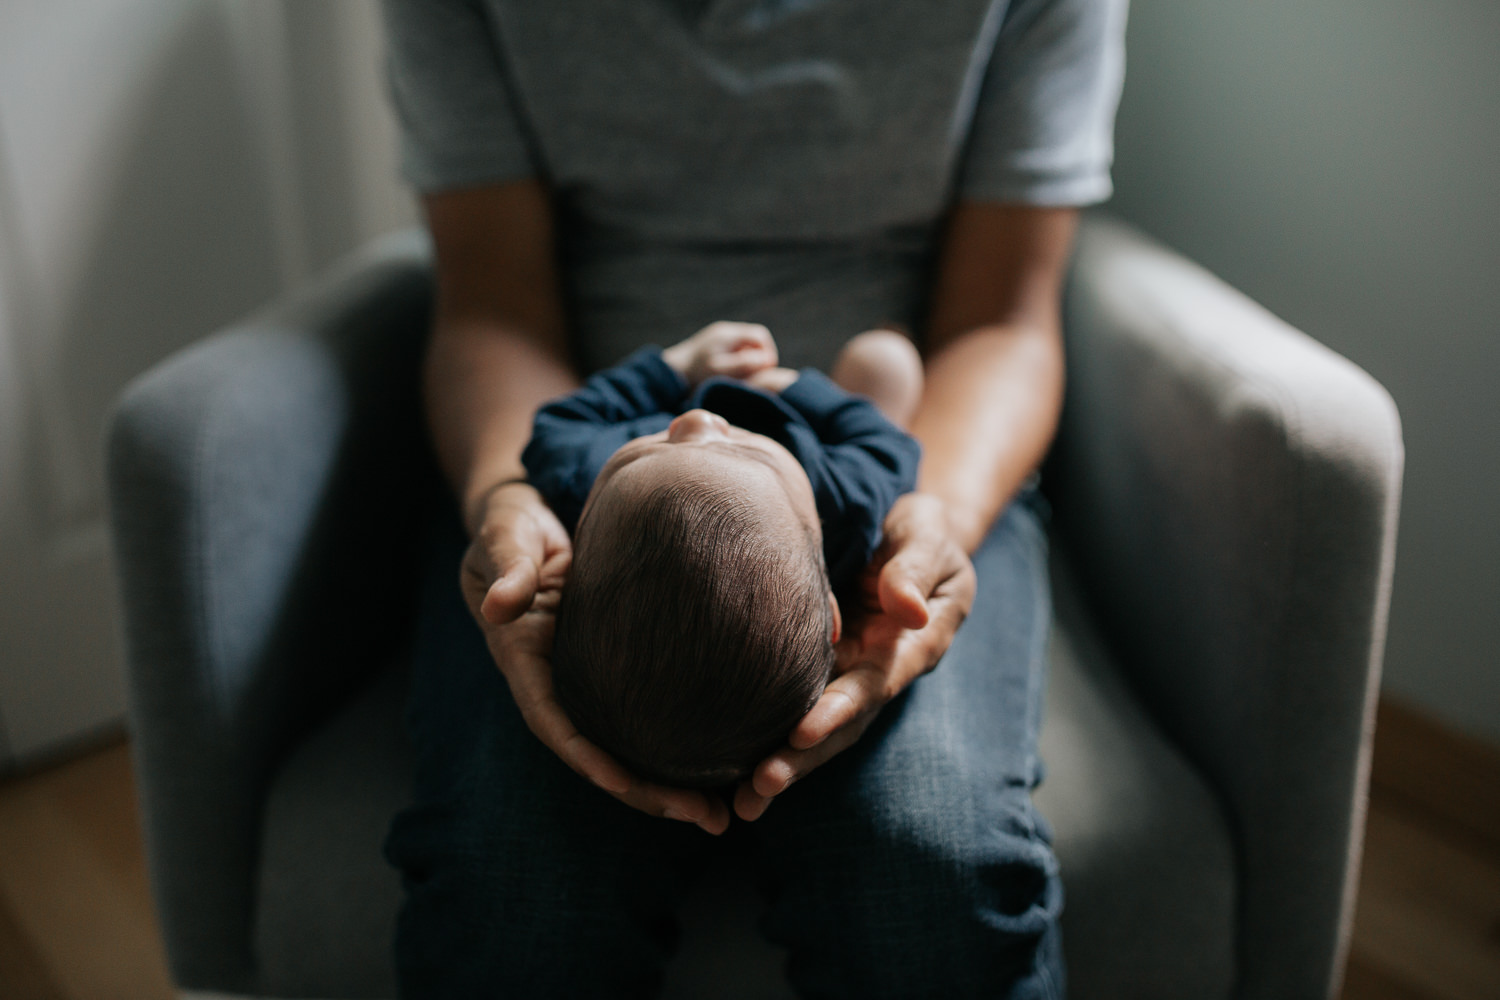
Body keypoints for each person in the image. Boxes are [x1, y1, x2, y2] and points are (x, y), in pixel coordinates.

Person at [378, 0, 1127, 995]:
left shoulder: (852, 514)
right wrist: (508, 499)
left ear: (835, 601)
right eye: (675, 435)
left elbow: (1000, 319)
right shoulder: (816, 480)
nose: (694, 421)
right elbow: (496, 307)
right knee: (514, 884)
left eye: (673, 431)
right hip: (603, 487)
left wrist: (927, 517)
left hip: (932, 441)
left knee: (928, 870)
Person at [523, 321, 923, 787]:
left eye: (640, 456)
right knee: (884, 362)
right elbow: (888, 448)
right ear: (830, 615)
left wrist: (674, 368)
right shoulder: (847, 505)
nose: (698, 422)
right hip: (802, 424)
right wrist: (795, 388)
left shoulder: (584, 484)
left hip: (675, 398)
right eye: (750, 453)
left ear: (573, 566)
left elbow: (558, 426)